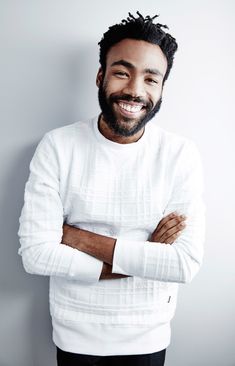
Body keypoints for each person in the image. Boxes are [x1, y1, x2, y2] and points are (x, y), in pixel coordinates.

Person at [18, 11, 205, 366]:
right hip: (75, 330)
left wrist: (75, 237)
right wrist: (148, 254)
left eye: (151, 78)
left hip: (147, 331)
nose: (135, 90)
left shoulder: (180, 154)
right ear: (101, 76)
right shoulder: (58, 146)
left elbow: (183, 264)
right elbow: (36, 255)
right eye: (122, 72)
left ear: (162, 88)